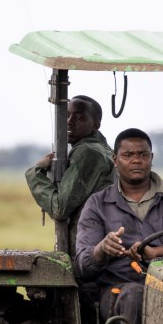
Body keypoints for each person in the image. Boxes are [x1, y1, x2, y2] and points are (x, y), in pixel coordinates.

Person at [75, 128, 163, 324]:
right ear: (115, 160)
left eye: (142, 154)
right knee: (134, 295)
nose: (136, 160)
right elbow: (82, 264)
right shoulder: (98, 204)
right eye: (128, 155)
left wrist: (158, 253)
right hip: (118, 290)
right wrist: (102, 249)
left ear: (151, 158)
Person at [25, 95, 114, 254]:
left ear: (95, 125)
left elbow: (60, 209)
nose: (69, 122)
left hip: (90, 250)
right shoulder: (104, 150)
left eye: (79, 118)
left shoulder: (88, 153)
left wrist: (36, 173)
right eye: (66, 115)